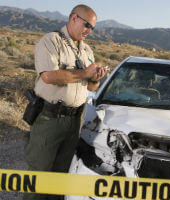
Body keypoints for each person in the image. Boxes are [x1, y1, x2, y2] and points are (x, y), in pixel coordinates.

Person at [23, 4, 108, 200]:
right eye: (87, 25)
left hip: (74, 121)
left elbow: (91, 88)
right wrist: (85, 73)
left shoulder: (87, 50)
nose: (89, 31)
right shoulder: (51, 41)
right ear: (73, 18)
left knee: (61, 177)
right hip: (49, 118)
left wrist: (95, 78)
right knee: (40, 176)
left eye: (93, 28)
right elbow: (48, 76)